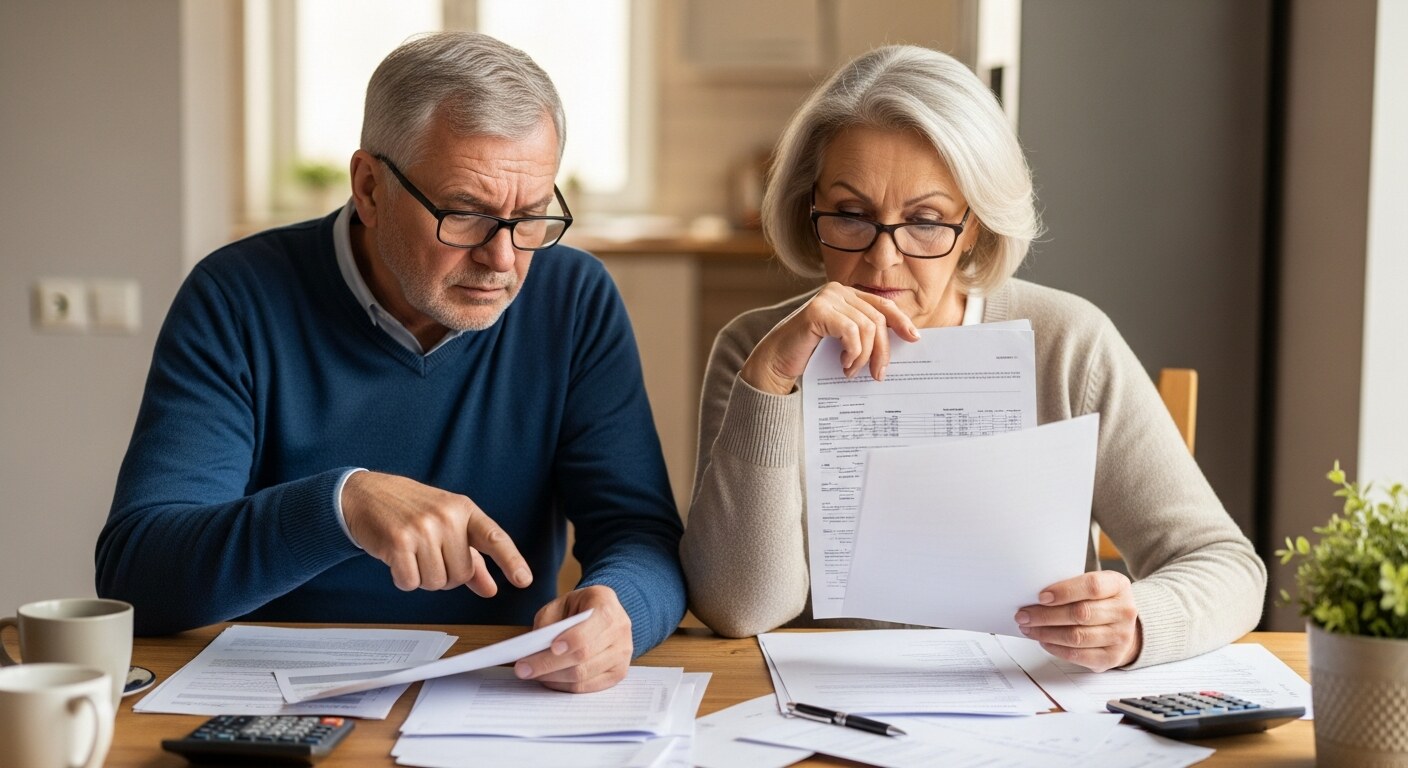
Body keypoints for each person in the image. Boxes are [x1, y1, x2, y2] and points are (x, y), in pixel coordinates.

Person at [96, 32, 685, 693]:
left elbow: (641, 535)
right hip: (273, 697)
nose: (502, 258)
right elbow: (137, 573)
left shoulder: (573, 298)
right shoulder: (236, 296)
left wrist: (620, 609)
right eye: (465, 214)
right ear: (370, 188)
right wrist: (340, 506)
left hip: (494, 692)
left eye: (530, 217)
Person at [679, 45, 1266, 672]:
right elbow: (741, 608)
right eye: (850, 215)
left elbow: (1226, 566)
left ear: (975, 226)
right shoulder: (756, 349)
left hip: (1033, 699)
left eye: (926, 221)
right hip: (817, 700)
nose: (883, 259)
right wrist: (770, 381)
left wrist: (1138, 623)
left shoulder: (1067, 342)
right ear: (810, 207)